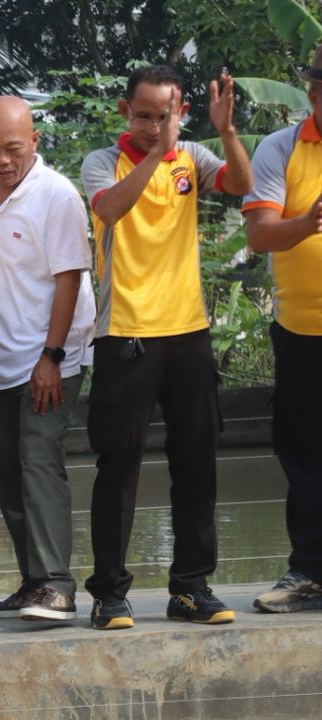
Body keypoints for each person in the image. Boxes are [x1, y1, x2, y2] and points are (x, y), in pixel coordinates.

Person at [81, 65, 252, 630]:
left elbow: (243, 186)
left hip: (188, 332)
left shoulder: (195, 158)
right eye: (145, 115)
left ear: (181, 113)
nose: (155, 125)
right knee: (119, 465)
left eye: (166, 115)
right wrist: (158, 153)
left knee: (198, 462)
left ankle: (191, 587)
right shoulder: (104, 162)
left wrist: (225, 132)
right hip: (125, 333)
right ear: (126, 112)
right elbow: (109, 209)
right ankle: (109, 592)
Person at [0, 96, 97, 624]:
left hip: (51, 357)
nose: (2, 160)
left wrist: (52, 355)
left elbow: (70, 278)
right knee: (4, 469)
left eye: (13, 149)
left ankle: (57, 586)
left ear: (35, 142)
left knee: (39, 462)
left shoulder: (58, 196)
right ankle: (31, 581)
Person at [242, 45, 322, 613]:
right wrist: (308, 222)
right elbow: (260, 235)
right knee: (304, 453)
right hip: (301, 331)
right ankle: (309, 573)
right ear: (312, 92)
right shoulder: (281, 148)